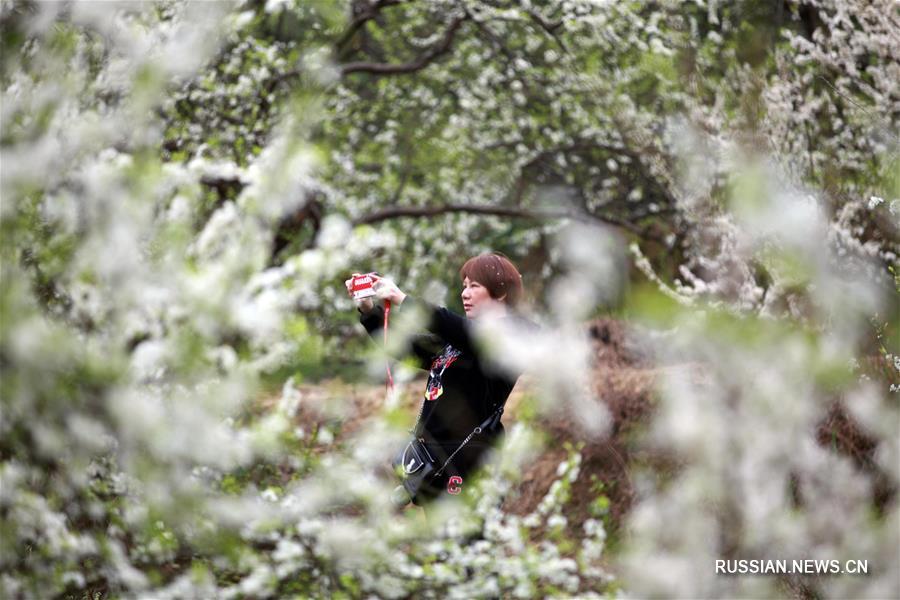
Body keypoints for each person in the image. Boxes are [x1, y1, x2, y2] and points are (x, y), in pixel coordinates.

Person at [345, 252, 530, 506]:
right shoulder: (458, 341)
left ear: (501, 292)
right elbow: (404, 347)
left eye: (474, 286)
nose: (464, 293)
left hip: (472, 467)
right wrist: (368, 310)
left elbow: (452, 325)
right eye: (464, 286)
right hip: (435, 465)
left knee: (468, 542)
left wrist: (403, 300)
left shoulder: (515, 335)